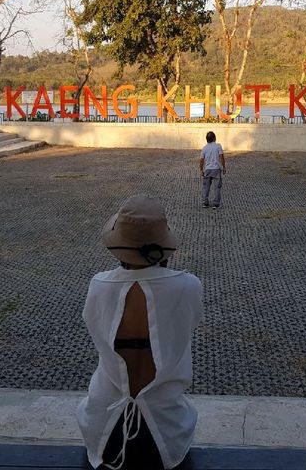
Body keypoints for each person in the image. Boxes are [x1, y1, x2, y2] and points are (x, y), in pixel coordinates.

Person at [77, 194, 203, 470]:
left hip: (103, 424)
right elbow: (188, 325)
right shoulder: (188, 286)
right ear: (163, 243)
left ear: (118, 246)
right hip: (168, 428)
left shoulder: (99, 286)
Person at [199, 131, 226, 209]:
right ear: (214, 138)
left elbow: (201, 160)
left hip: (207, 169)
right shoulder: (218, 146)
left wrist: (201, 170)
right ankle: (215, 203)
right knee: (217, 187)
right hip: (216, 169)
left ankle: (205, 202)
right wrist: (224, 167)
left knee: (206, 187)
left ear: (206, 139)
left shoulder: (204, 148)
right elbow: (222, 157)